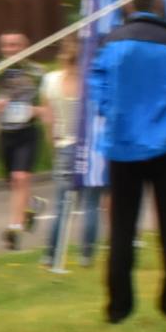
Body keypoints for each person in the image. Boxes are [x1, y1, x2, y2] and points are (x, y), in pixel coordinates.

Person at [91, 0, 166, 322]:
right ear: (158, 2)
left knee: (122, 227)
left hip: (123, 145)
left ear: (127, 3)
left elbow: (98, 87)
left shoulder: (111, 43)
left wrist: (113, 114)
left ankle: (118, 307)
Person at [0, 32, 47, 249]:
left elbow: (48, 104)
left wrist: (36, 110)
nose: (10, 49)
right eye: (6, 45)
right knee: (12, 181)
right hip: (6, 133)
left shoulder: (37, 72)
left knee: (20, 178)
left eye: (15, 45)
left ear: (25, 47)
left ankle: (14, 229)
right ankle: (33, 203)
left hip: (28, 131)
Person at [38, 36, 103, 269]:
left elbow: (48, 117)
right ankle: (86, 255)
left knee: (62, 205)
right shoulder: (92, 82)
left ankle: (51, 254)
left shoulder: (50, 80)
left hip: (64, 145)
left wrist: (53, 143)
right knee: (91, 205)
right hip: (90, 147)